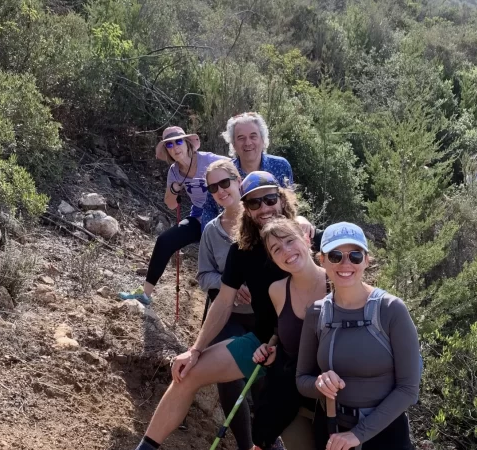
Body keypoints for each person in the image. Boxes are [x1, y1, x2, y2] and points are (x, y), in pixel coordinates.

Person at [133, 171, 321, 450]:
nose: (264, 208)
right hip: (262, 342)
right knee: (188, 373)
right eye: (254, 204)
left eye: (270, 199)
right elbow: (223, 302)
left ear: (281, 200)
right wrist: (195, 350)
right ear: (246, 209)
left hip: (307, 349)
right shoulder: (241, 251)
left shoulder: (304, 238)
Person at [296, 223, 421, 450]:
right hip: (331, 429)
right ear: (321, 260)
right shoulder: (317, 313)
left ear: (366, 260)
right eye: (335, 256)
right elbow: (302, 379)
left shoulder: (391, 310)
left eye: (355, 255)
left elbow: (408, 389)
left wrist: (357, 435)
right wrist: (319, 383)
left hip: (386, 434)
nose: (346, 264)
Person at [119, 126, 228, 305]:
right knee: (165, 241)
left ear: (187, 143)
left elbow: (237, 172)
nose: (175, 147)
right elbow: (170, 204)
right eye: (169, 145)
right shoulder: (174, 171)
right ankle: (145, 294)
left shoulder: (210, 160)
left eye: (178, 141)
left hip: (223, 216)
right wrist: (173, 188)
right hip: (199, 217)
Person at [250, 218, 329, 449]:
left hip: (332, 401)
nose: (286, 251)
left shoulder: (336, 282)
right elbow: (287, 338)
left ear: (306, 239)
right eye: (276, 249)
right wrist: (272, 350)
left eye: (290, 240)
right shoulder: (277, 291)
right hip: (291, 400)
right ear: (273, 259)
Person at [196, 159, 259, 450]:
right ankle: (245, 446)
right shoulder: (211, 230)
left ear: (238, 181)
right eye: (213, 187)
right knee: (228, 378)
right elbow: (203, 274)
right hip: (228, 313)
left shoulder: (261, 217)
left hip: (263, 314)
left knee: (263, 380)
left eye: (225, 183)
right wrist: (229, 285)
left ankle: (267, 439)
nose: (220, 190)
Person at [201, 112, 294, 227]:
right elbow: (209, 210)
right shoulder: (223, 172)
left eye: (253, 136)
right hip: (232, 235)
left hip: (274, 233)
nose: (248, 143)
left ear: (263, 140)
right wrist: (210, 238)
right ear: (233, 144)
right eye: (241, 138)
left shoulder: (281, 166)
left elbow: (289, 205)